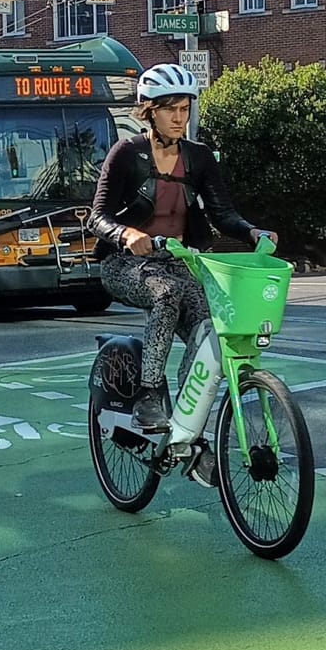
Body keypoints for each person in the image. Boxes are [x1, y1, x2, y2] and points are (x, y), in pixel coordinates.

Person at [87, 63, 275, 430]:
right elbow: (97, 217)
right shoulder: (126, 153)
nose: (178, 118)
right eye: (170, 109)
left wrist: (252, 232)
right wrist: (127, 235)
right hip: (125, 264)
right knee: (167, 294)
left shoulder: (198, 156)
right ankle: (149, 397)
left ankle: (188, 424)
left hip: (178, 262)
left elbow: (222, 213)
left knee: (212, 325)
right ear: (149, 111)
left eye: (184, 109)